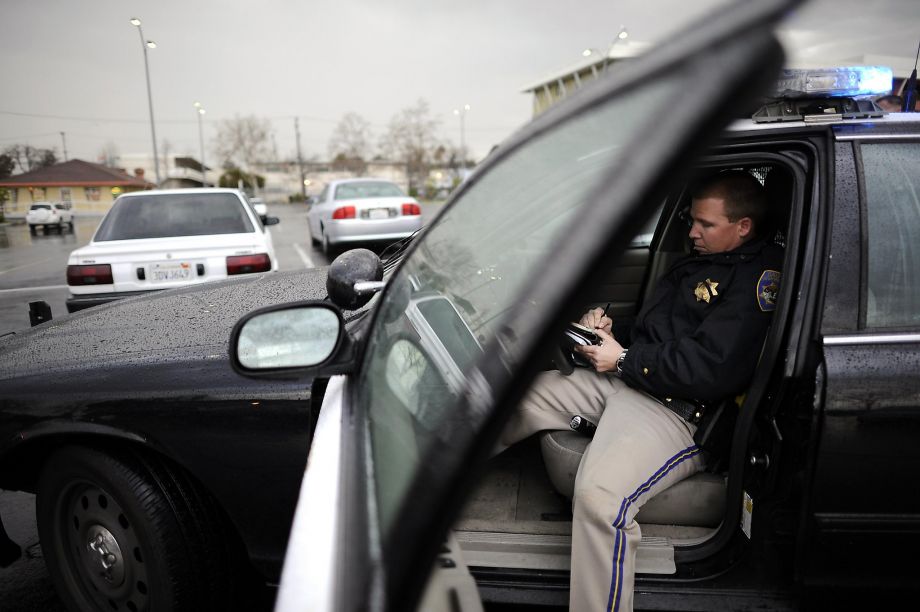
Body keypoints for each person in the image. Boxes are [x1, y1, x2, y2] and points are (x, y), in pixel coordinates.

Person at [497, 170, 784, 612]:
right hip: (635, 379)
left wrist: (624, 359)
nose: (692, 232)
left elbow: (711, 369)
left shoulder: (756, 283)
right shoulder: (701, 262)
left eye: (705, 224)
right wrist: (612, 332)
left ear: (742, 226)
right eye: (692, 221)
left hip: (679, 411)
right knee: (514, 396)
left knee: (600, 499)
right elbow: (660, 332)